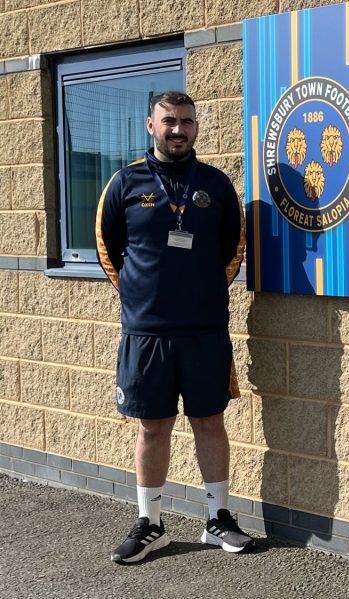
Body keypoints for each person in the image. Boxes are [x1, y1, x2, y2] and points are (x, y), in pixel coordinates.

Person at [97, 91, 254, 564]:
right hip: (147, 333)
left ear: (196, 127)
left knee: (210, 421)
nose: (178, 130)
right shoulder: (124, 183)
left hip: (205, 330)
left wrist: (200, 292)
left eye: (187, 122)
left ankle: (218, 518)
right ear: (151, 126)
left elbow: (234, 249)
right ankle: (151, 524)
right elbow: (108, 248)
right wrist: (141, 298)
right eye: (169, 121)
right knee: (152, 427)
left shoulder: (216, 186)